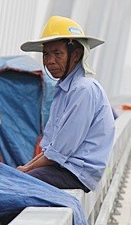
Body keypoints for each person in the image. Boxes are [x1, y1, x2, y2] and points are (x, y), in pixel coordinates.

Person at [17, 15, 116, 193]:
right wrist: (26, 167)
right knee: (15, 179)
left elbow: (59, 151)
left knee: (16, 189)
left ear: (76, 55)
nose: (49, 61)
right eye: (46, 54)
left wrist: (26, 170)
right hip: (62, 167)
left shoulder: (82, 89)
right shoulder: (64, 89)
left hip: (76, 172)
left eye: (57, 53)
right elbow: (50, 147)